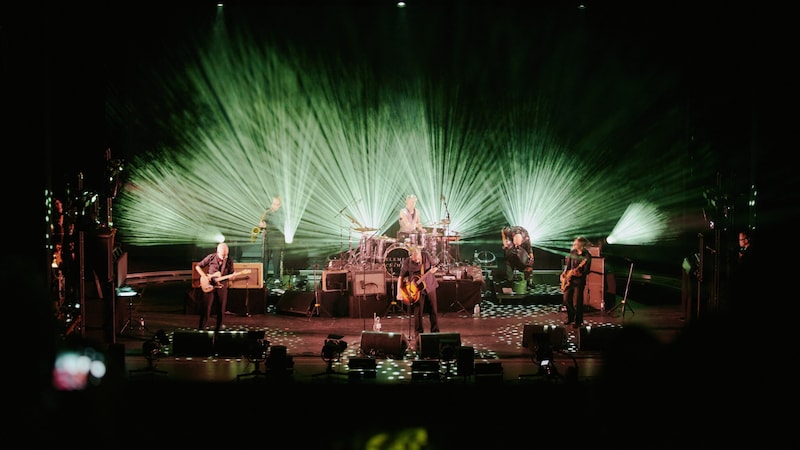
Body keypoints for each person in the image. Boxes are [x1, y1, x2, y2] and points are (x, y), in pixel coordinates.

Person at [396, 245, 440, 335]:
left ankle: (435, 332)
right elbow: (401, 277)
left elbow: (434, 266)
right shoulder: (407, 262)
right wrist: (399, 292)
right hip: (416, 290)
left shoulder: (426, 256)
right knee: (418, 313)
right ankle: (418, 334)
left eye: (418, 258)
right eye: (415, 260)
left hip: (430, 285)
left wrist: (434, 270)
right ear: (411, 256)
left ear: (420, 253)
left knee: (433, 311)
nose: (417, 261)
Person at [195, 242, 235, 333]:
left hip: (222, 286)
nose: (224, 257)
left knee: (221, 308)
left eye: (226, 255)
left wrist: (232, 277)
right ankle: (201, 328)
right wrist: (204, 276)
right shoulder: (211, 257)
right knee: (206, 307)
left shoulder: (229, 260)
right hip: (209, 285)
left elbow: (232, 273)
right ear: (217, 252)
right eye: (222, 255)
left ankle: (219, 329)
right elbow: (198, 266)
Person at [560, 236, 592, 328]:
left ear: (581, 244)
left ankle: (578, 321)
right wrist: (564, 274)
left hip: (579, 281)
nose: (574, 244)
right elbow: (568, 266)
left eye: (576, 243)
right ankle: (570, 317)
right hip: (569, 280)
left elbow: (587, 271)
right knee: (566, 299)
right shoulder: (573, 252)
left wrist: (578, 273)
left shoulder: (587, 256)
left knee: (577, 302)